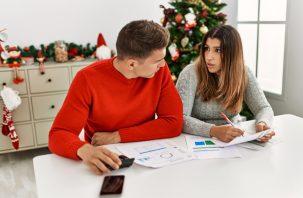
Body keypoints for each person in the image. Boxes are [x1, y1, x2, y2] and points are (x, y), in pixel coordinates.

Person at [49, 20, 183, 175]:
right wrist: (84, 149)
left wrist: (118, 136)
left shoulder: (160, 70)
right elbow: (58, 134)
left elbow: (173, 123)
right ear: (132, 64)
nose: (162, 64)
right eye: (157, 61)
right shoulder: (87, 79)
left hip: (148, 155)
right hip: (107, 160)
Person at [176, 25, 275, 143]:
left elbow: (263, 108)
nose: (209, 57)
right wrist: (214, 130)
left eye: (217, 50)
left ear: (232, 53)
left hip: (235, 141)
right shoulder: (190, 73)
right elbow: (179, 118)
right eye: (207, 48)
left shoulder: (244, 72)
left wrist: (262, 123)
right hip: (197, 141)